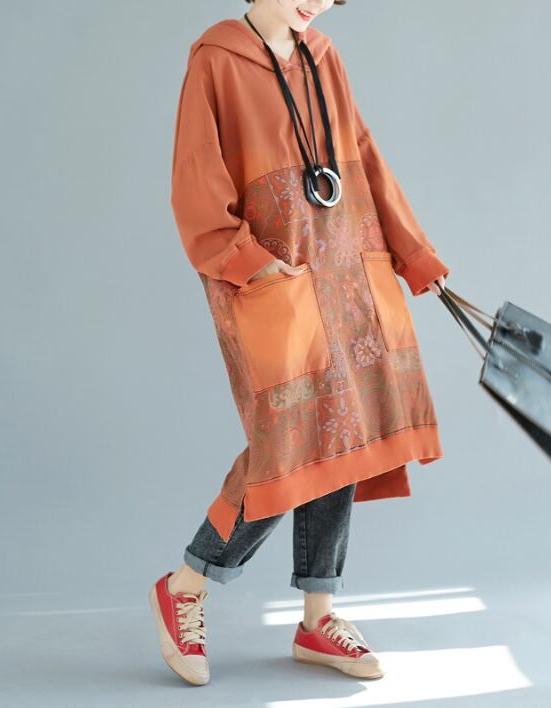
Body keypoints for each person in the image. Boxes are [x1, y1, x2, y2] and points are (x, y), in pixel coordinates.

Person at [149, 0, 449, 686]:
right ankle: (186, 584)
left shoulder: (324, 56)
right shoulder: (217, 58)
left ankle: (318, 617)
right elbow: (195, 178)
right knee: (289, 443)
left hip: (345, 265)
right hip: (274, 273)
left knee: (345, 434)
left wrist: (412, 251)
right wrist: (249, 263)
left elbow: (363, 154)